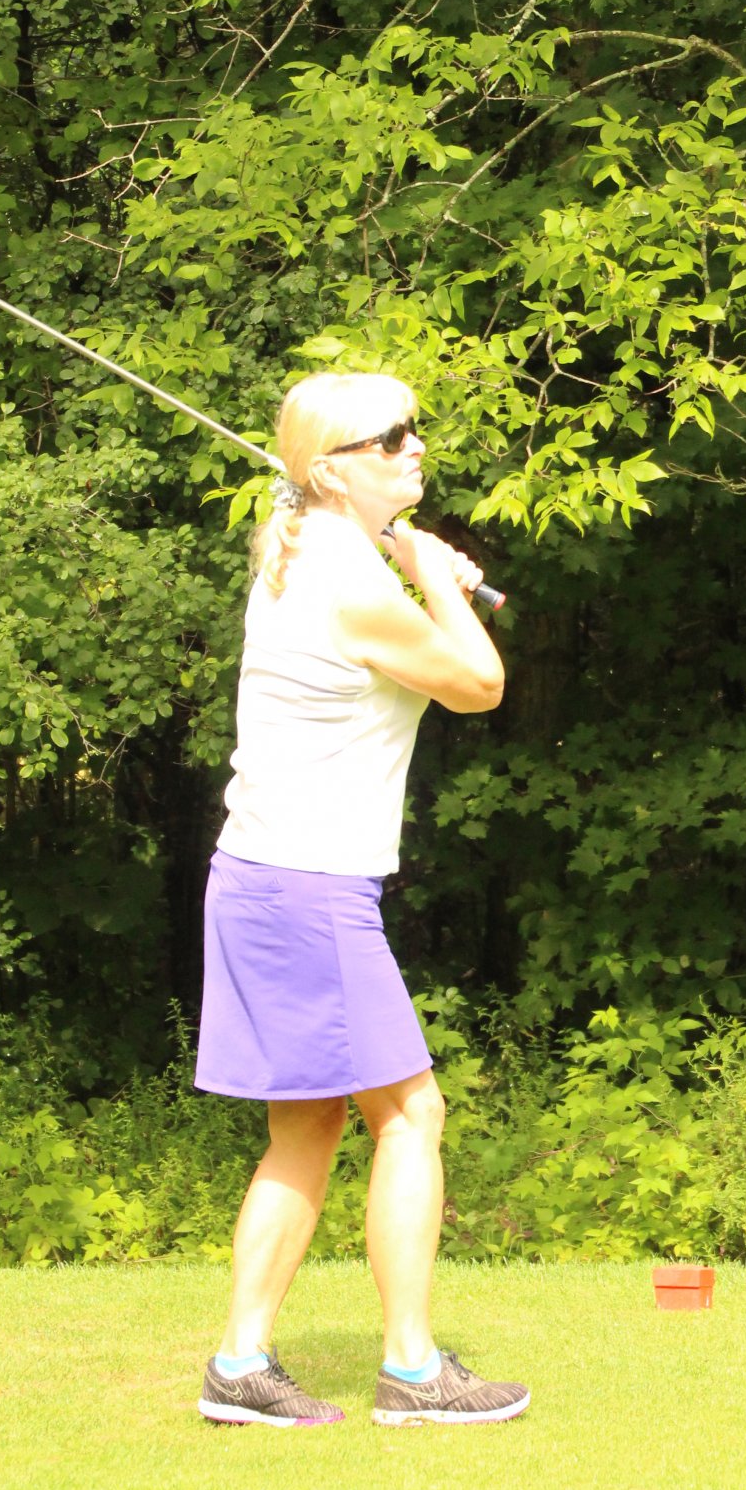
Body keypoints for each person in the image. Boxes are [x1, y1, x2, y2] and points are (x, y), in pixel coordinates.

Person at [195, 372, 530, 1429]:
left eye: (412, 430)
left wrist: (411, 564)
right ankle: (414, 1373)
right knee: (411, 1114)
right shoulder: (348, 576)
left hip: (258, 877)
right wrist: (433, 575)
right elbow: (480, 685)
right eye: (389, 438)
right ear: (333, 470)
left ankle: (239, 1368)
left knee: (307, 1125)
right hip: (307, 886)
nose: (414, 447)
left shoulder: (307, 548)